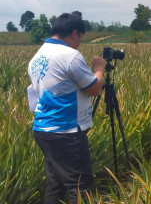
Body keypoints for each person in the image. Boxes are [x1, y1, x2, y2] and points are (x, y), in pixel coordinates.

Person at [27, 13, 106, 203]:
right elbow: (94, 88)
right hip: (66, 131)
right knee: (80, 187)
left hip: (43, 129)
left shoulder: (37, 57)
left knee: (56, 184)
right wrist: (99, 68)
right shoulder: (69, 56)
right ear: (74, 33)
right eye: (80, 38)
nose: (79, 43)